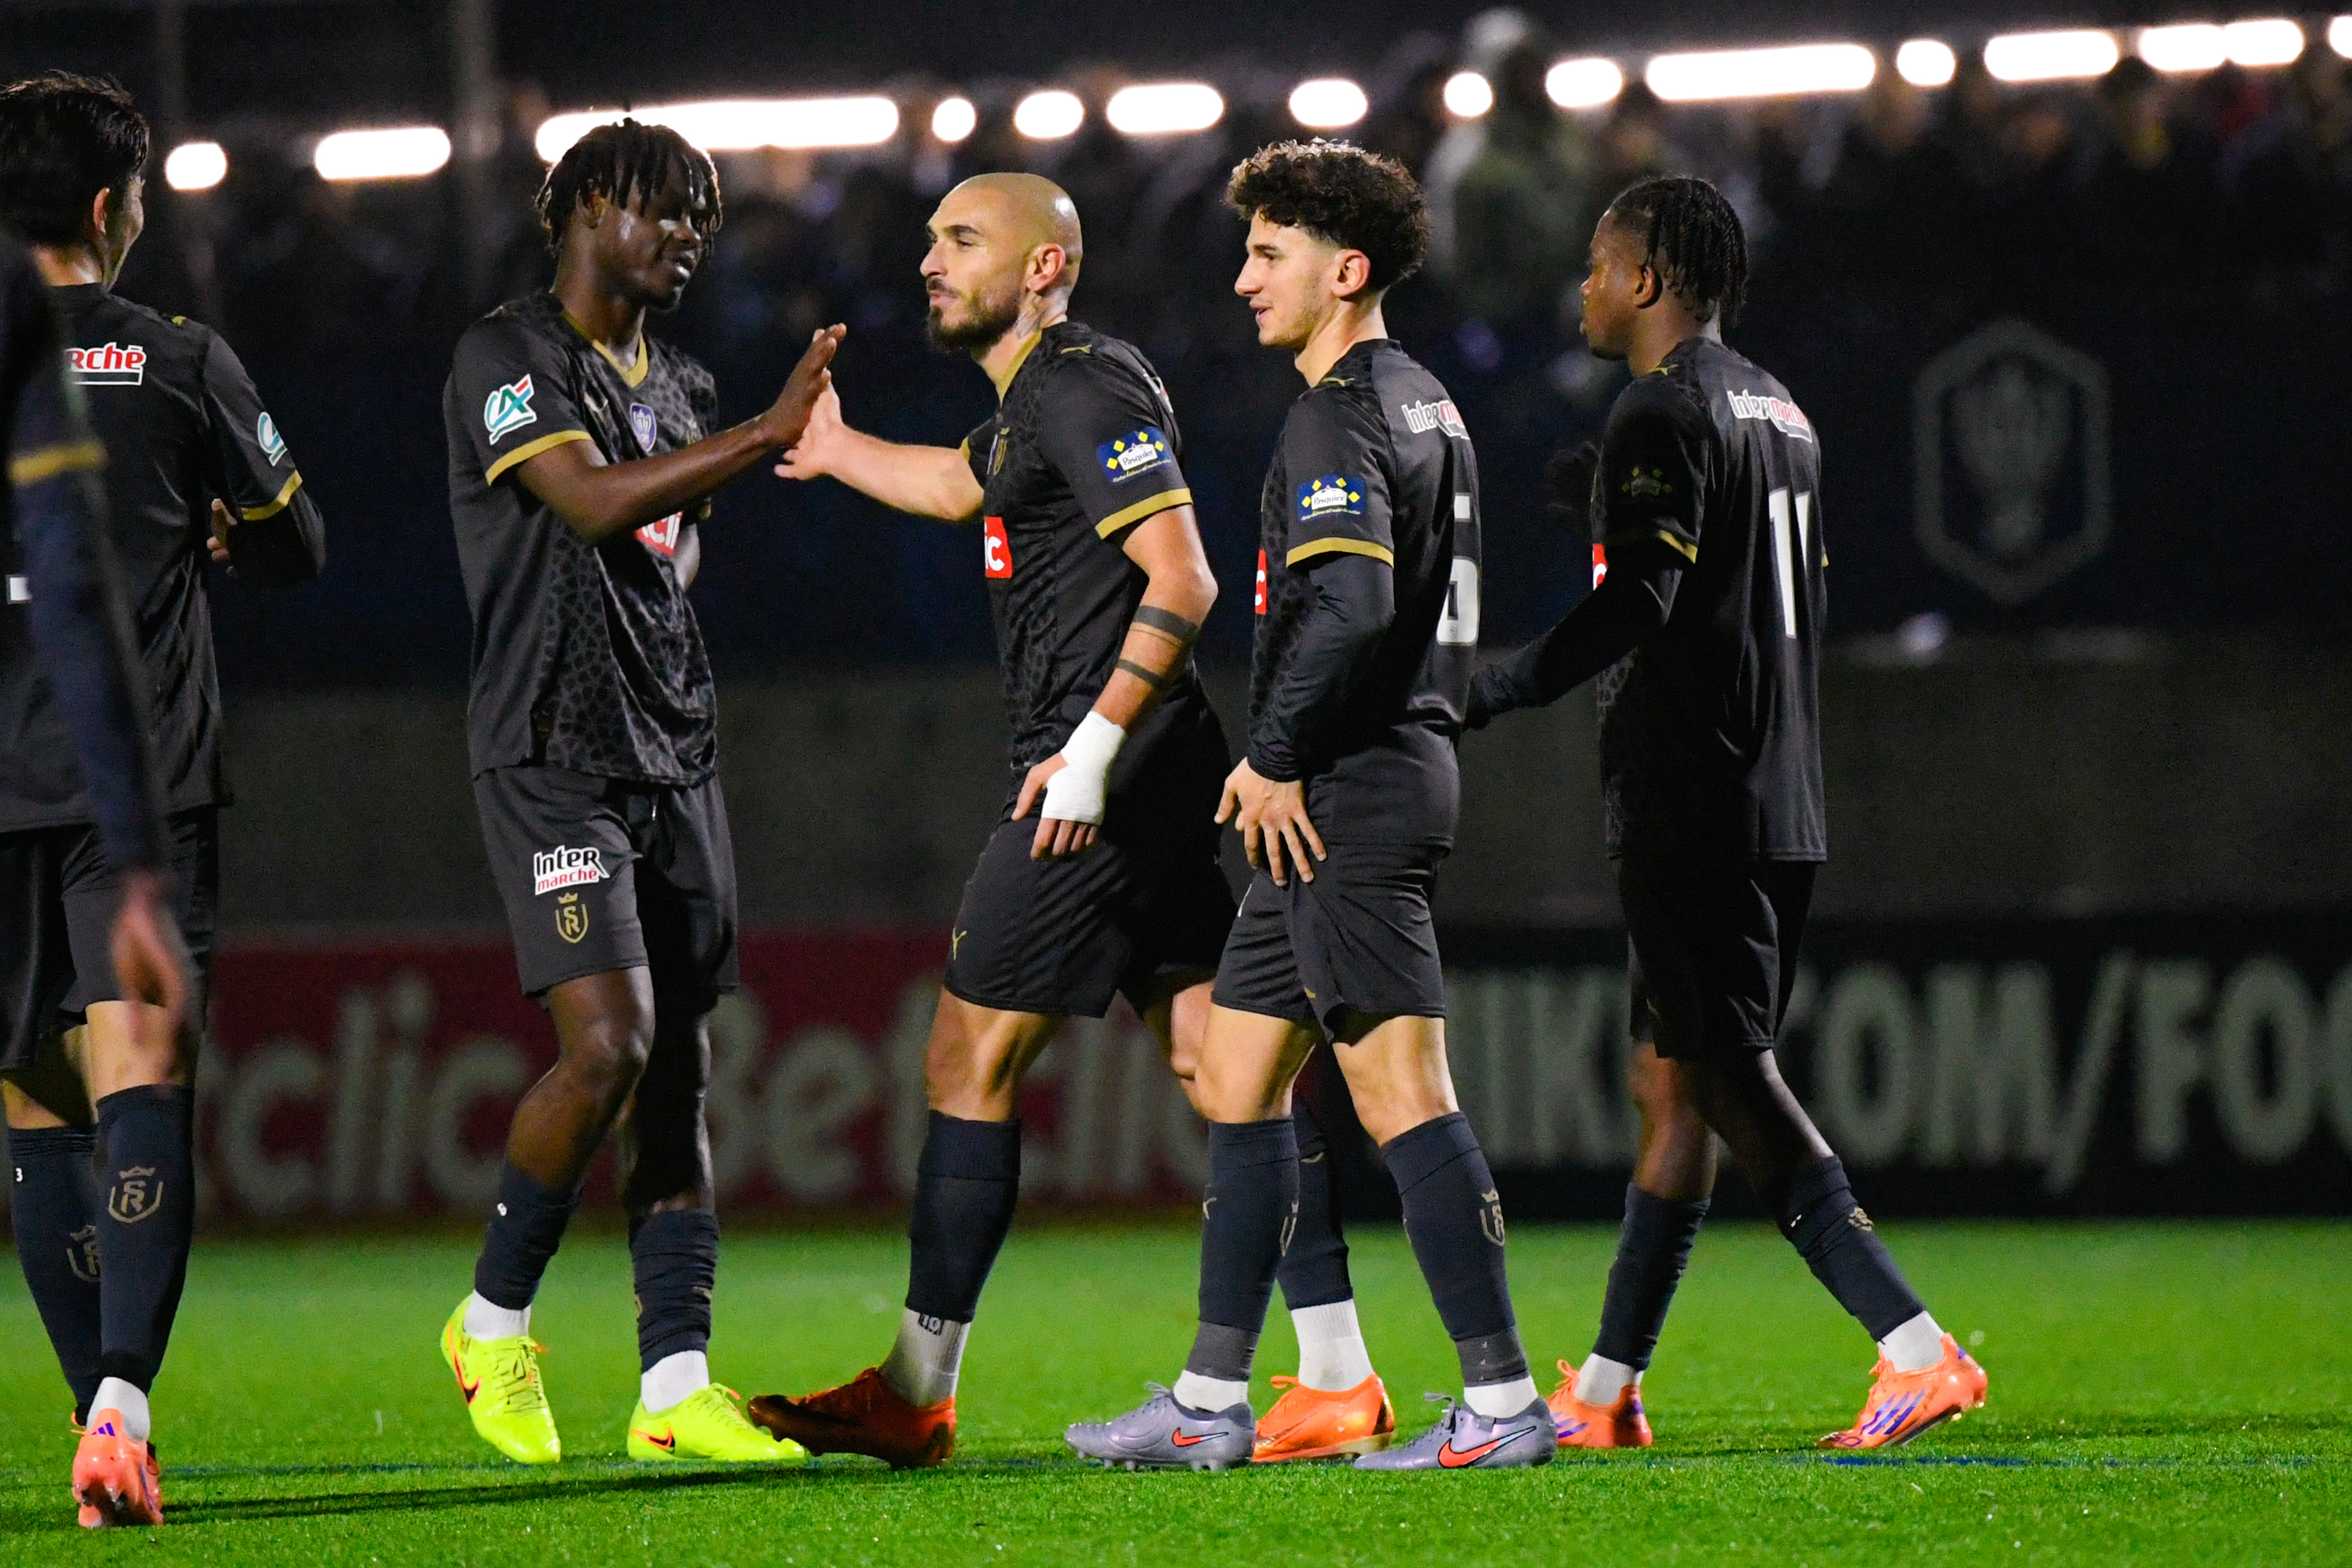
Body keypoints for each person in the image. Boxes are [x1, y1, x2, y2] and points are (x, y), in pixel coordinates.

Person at [747, 171, 1391, 1468]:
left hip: (1098, 782)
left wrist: (1089, 752)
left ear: (1044, 266)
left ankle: (915, 1389)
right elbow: (962, 485)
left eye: (961, 239)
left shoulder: (1078, 386)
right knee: (1223, 1061)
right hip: (1149, 769)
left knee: (964, 1059)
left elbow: (1184, 577)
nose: (930, 260)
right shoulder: (1036, 403)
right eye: (928, 238)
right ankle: (1336, 1373)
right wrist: (835, 449)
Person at [1465, 175, 1989, 1452]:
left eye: (1597, 265)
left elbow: (1644, 595)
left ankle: (1914, 1346)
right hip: (1777, 784)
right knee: (1672, 1083)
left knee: (1726, 1075)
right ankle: (1604, 1392)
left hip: (1693, 789)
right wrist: (1612, 505)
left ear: (1646, 279)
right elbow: (1738, 568)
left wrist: (1495, 685)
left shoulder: (1661, 403)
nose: (1584, 287)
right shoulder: (1778, 406)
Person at [1068, 140, 1552, 1474]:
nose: (1243, 279)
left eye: (1268, 254)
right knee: (1237, 1074)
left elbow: (1349, 602)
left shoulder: (1336, 412)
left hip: (1345, 790)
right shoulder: (1426, 402)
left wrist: (1275, 754)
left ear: (1345, 272)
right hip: (1360, 779)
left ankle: (1503, 1402)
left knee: (1400, 1093)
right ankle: (1209, 1397)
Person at [438, 118, 839, 1468]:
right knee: (606, 1043)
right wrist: (766, 434)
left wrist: (733, 445)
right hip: (551, 749)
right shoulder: (505, 356)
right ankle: (491, 1322)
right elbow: (589, 502)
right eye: (663, 208)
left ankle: (674, 1386)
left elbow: (669, 555)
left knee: (678, 1070)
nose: (686, 235)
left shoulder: (683, 380)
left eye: (701, 218)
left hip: (672, 750)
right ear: (584, 206)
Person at [0, 73, 310, 1527]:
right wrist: (226, 524)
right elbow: (299, 541)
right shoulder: (177, 359)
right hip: (139, 782)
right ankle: (121, 1408)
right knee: (138, 1079)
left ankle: (95, 1426)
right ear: (111, 207)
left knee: (33, 1100)